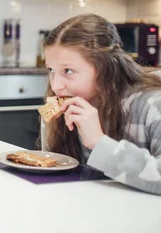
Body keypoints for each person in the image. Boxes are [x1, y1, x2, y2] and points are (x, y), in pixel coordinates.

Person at [40, 13, 161, 195]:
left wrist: (99, 142)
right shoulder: (59, 107)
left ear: (106, 67)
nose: (56, 85)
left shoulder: (152, 104)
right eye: (51, 70)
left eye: (68, 70)